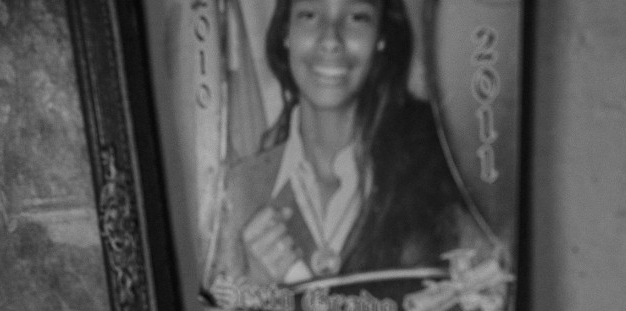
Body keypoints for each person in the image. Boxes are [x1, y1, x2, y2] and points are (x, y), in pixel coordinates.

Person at [209, 0, 492, 287]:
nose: (330, 39)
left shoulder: (442, 176)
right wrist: (257, 284)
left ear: (382, 36)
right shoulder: (239, 191)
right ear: (286, 32)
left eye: (357, 17)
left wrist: (294, 280)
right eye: (309, 15)